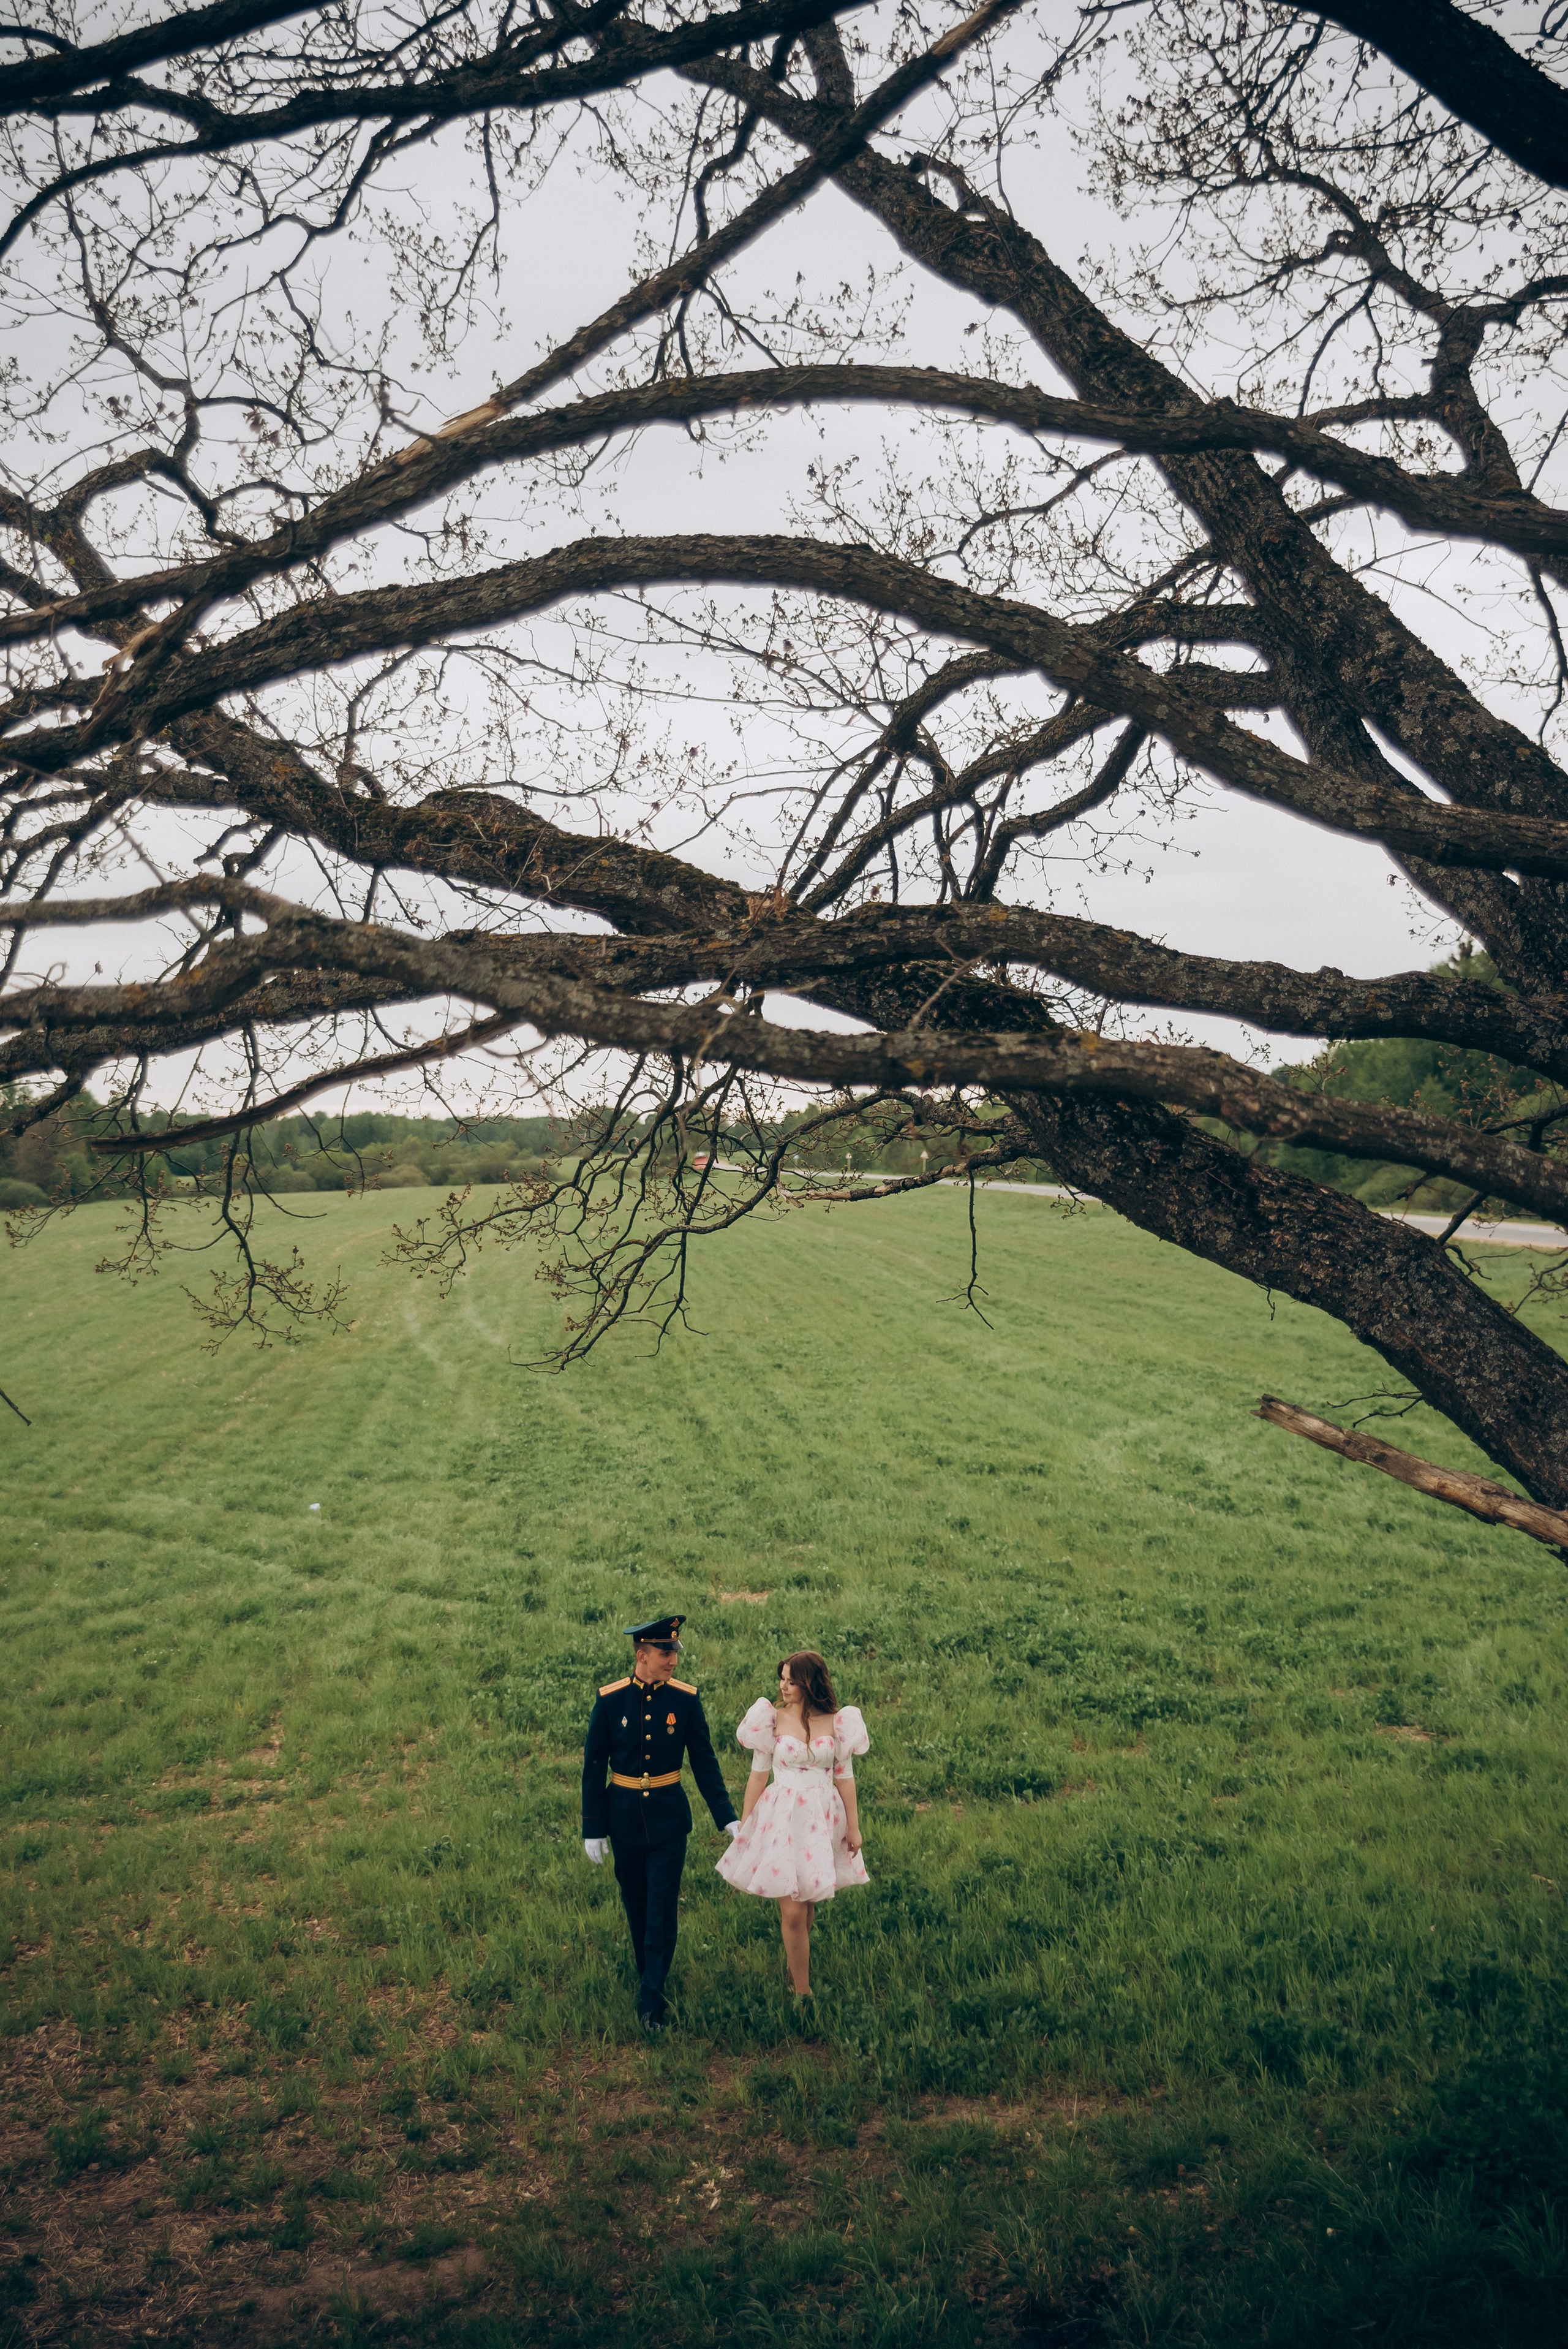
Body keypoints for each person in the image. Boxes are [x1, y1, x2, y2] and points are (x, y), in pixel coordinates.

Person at [581, 1613, 739, 2029]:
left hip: (669, 1822)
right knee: (636, 1904)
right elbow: (594, 1766)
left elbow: (704, 1762)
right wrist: (593, 1827)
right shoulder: (611, 1699)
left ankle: (652, 1998)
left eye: (674, 1651)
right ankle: (647, 1972)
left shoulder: (685, 1700)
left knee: (661, 1910)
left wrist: (726, 1818)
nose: (672, 1659)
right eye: (665, 1652)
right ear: (642, 1654)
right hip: (624, 1820)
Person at [715, 1649, 869, 2001]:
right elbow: (757, 1776)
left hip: (821, 1819)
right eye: (781, 1679)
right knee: (795, 1912)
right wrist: (748, 1827)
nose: (783, 1686)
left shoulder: (836, 1721)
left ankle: (794, 1963)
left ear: (810, 1683)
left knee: (809, 1900)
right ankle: (804, 1994)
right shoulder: (772, 1720)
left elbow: (844, 1776)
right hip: (782, 1817)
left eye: (791, 1680)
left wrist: (854, 1827)